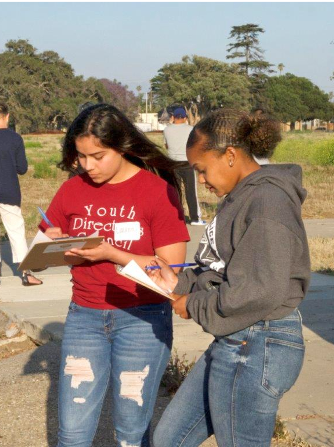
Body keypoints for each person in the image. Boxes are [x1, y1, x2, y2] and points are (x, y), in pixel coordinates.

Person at [150, 109, 309, 447]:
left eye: (202, 170)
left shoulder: (267, 201)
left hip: (259, 341)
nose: (202, 181)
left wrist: (193, 305)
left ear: (231, 155)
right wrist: (179, 283)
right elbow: (223, 269)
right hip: (238, 338)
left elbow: (259, 289)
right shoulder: (243, 197)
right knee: (169, 438)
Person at [39, 104, 190, 447]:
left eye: (98, 156)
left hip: (142, 319)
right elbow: (51, 242)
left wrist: (113, 253)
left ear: (121, 147)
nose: (88, 166)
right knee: (72, 434)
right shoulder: (71, 190)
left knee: (131, 433)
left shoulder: (156, 191)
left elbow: (171, 273)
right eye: (81, 156)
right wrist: (52, 244)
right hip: (84, 317)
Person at [0, 103, 42, 287]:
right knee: (16, 232)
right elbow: (22, 168)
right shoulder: (15, 138)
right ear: (7, 116)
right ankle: (25, 274)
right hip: (9, 190)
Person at [163, 106, 206, 225]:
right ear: (185, 118)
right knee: (191, 191)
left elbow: (166, 145)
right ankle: (195, 219)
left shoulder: (167, 130)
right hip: (187, 162)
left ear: (173, 117)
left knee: (175, 191)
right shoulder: (191, 129)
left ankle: (175, 217)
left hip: (172, 163)